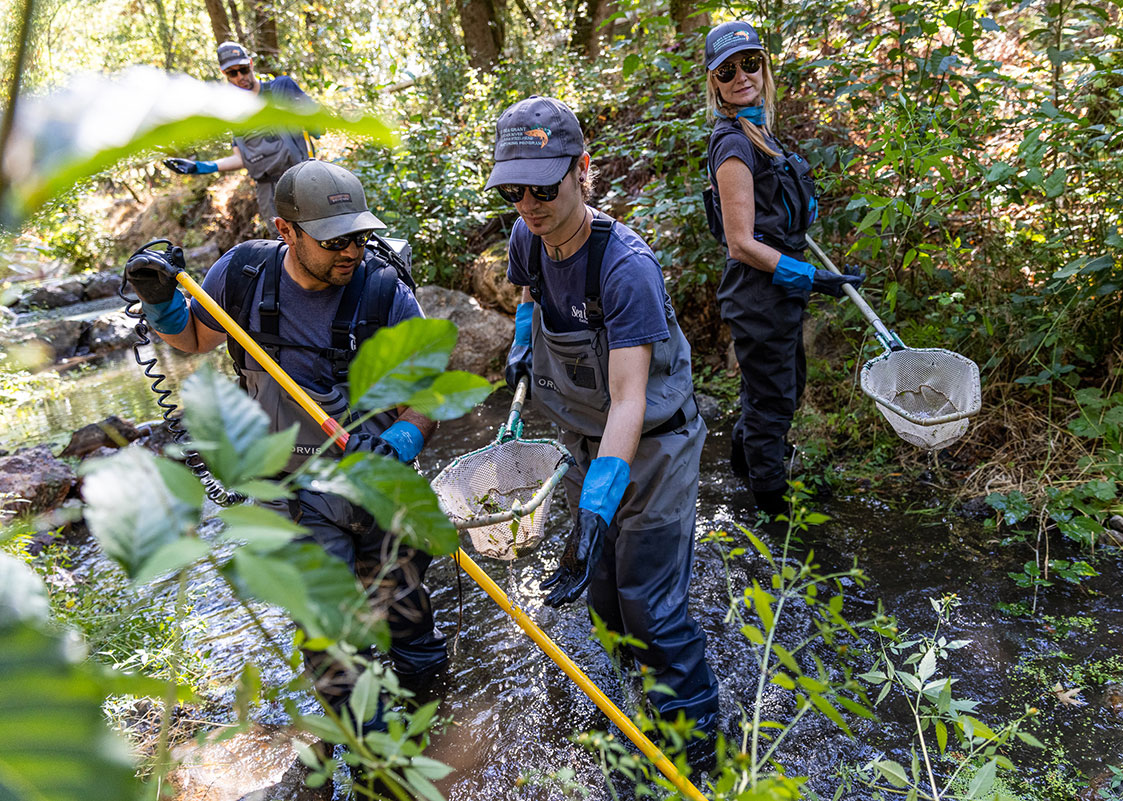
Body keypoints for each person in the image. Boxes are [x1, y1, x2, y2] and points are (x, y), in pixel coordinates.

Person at [121, 159, 446, 717]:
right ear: (285, 231)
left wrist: (399, 443)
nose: (351, 251)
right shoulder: (243, 275)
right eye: (334, 239)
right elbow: (194, 338)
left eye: (359, 236)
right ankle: (375, 764)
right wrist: (159, 301)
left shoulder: (384, 292)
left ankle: (435, 725)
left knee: (413, 634)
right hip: (292, 494)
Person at [488, 96, 721, 767]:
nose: (529, 204)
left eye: (543, 187)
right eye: (514, 190)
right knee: (604, 599)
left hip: (654, 446)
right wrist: (521, 338)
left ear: (582, 169)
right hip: (588, 444)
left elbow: (628, 398)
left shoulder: (626, 268)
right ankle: (632, 716)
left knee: (652, 605)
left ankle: (700, 756)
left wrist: (596, 502)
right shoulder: (525, 239)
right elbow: (530, 292)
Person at [702, 21, 863, 516]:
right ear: (715, 84)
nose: (741, 76)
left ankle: (743, 466)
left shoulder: (762, 132)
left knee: (778, 392)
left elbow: (772, 214)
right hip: (758, 295)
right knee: (774, 406)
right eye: (727, 71)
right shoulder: (733, 144)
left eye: (749, 62)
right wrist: (812, 277)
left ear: (763, 65)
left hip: (777, 292)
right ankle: (773, 519)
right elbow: (740, 243)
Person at [163, 41, 318, 236]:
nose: (240, 77)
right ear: (224, 73)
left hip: (303, 178)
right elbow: (242, 158)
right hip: (269, 193)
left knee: (319, 234)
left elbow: (318, 123)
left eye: (243, 70)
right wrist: (201, 167)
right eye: (232, 73)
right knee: (285, 244)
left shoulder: (282, 87)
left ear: (251, 64)